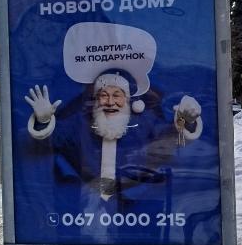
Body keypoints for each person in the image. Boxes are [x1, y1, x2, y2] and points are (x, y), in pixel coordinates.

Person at [24, 72, 202, 202]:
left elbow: (171, 138)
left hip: (136, 205)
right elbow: (53, 138)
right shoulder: (79, 124)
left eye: (117, 95)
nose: (110, 102)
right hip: (86, 205)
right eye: (104, 95)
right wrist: (43, 120)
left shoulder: (145, 123)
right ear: (96, 100)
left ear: (127, 100)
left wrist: (187, 121)